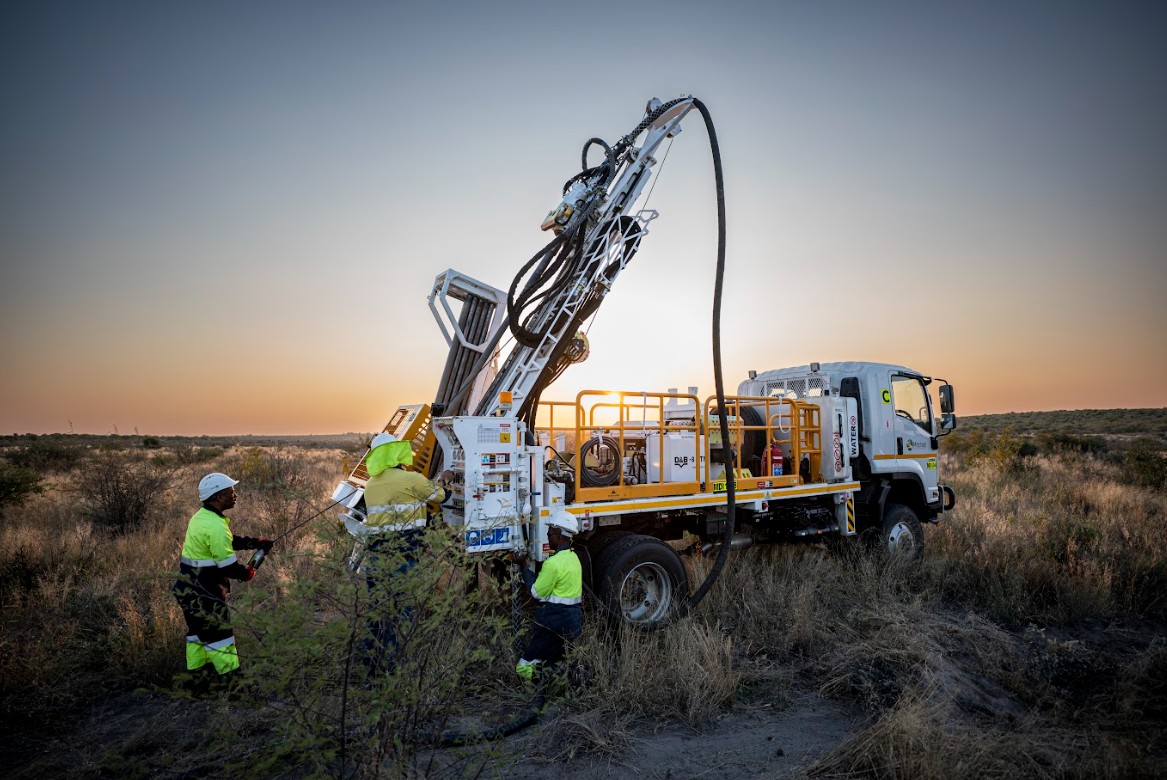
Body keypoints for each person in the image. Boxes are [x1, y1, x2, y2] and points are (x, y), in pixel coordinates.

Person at [346, 432, 454, 671]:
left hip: (376, 557)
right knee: (401, 611)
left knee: (378, 609)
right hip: (403, 556)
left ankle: (370, 663)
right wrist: (445, 479)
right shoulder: (411, 479)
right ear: (397, 452)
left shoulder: (372, 484)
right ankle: (392, 668)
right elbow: (442, 497)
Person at [172, 472, 272, 696]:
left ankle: (196, 685)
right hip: (205, 594)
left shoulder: (203, 517)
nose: (235, 496)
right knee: (221, 638)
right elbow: (229, 567)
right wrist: (247, 572)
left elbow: (226, 540)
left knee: (197, 637)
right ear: (217, 497)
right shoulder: (215, 525)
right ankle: (236, 690)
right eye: (231, 493)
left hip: (188, 590)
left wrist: (252, 542)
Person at [513, 511, 582, 686]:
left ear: (559, 535)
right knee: (557, 658)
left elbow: (537, 593)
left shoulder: (553, 564)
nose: (547, 537)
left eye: (550, 533)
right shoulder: (574, 559)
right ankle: (566, 680)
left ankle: (559, 677)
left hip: (552, 623)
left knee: (524, 667)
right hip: (572, 623)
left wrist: (524, 566)